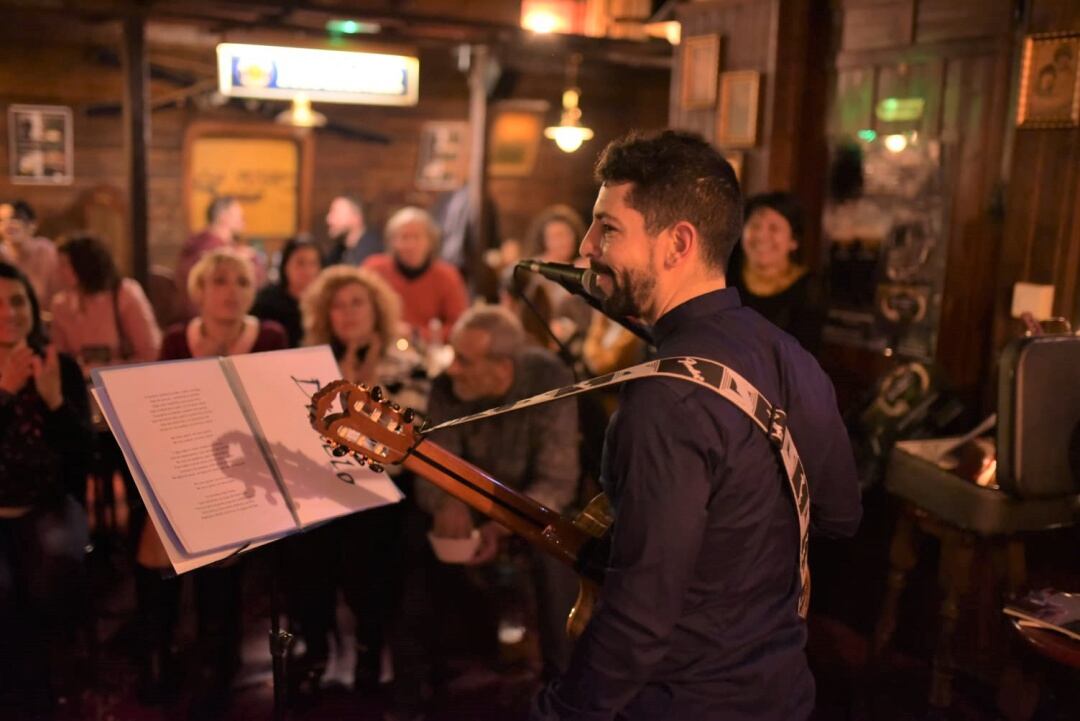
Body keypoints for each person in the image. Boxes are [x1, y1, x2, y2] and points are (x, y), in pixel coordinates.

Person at [531, 130, 861, 721]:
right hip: (780, 692)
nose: (585, 247)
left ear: (677, 243)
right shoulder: (790, 355)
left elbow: (638, 619)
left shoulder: (663, 403)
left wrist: (560, 711)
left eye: (607, 228)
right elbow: (839, 515)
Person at [392, 305, 580, 720]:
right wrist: (448, 500)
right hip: (471, 500)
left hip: (529, 506)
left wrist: (503, 524)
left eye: (465, 360)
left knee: (555, 551)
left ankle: (562, 683)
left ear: (502, 367)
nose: (451, 368)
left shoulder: (549, 379)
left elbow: (558, 478)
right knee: (411, 538)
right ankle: (414, 685)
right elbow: (431, 464)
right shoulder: (447, 388)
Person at [137, 249, 287, 710]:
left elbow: (278, 415)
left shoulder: (271, 336)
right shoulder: (178, 339)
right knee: (154, 532)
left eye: (241, 281)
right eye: (219, 280)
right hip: (185, 464)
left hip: (249, 471)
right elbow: (158, 415)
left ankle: (215, 655)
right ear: (200, 289)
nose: (230, 290)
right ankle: (158, 649)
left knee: (219, 536)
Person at [288, 264, 425, 697]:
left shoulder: (406, 361)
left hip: (381, 484)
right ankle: (316, 646)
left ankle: (369, 645)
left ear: (376, 309)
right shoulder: (308, 362)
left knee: (371, 551)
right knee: (305, 553)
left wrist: (362, 387)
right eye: (337, 306)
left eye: (356, 303)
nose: (346, 313)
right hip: (319, 483)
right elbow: (295, 431)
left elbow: (403, 438)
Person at [0, 262, 93, 711]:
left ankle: (46, 684)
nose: (9, 312)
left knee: (52, 567)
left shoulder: (61, 366)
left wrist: (55, 401)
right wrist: (4, 393)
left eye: (17, 301)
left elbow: (84, 458)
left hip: (48, 504)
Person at [730, 192, 826, 354]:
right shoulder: (724, 274)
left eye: (774, 228)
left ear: (794, 241)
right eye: (755, 226)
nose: (761, 236)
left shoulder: (809, 289)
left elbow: (805, 357)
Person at [51, 233, 162, 372]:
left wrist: (103, 370)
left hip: (124, 381)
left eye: (64, 265)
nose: (58, 271)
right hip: (79, 387)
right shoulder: (61, 305)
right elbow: (60, 358)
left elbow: (151, 353)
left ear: (84, 264)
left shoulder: (124, 294)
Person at [363, 206, 469, 343]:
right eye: (404, 237)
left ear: (430, 241)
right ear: (392, 242)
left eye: (417, 237)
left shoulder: (447, 275)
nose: (411, 245)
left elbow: (459, 326)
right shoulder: (374, 270)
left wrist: (417, 334)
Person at [506, 205, 593, 352]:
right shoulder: (532, 269)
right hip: (539, 337)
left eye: (566, 234)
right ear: (543, 240)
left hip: (577, 337)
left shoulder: (583, 266)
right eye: (556, 236)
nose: (562, 241)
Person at [175, 196, 266, 317]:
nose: (243, 221)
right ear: (224, 217)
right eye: (239, 216)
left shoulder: (200, 243)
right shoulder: (208, 248)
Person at [251, 234, 323, 347]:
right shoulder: (266, 302)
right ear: (285, 265)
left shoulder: (325, 302)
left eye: (313, 263)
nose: (308, 270)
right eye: (300, 263)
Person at [0, 200, 60, 311]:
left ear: (32, 225)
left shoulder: (47, 251)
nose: (7, 225)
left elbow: (61, 293)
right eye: (2, 221)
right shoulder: (1, 256)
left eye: (14, 219)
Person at [324, 194, 382, 267]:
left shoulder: (374, 256)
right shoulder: (337, 253)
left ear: (356, 217)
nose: (328, 219)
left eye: (335, 212)